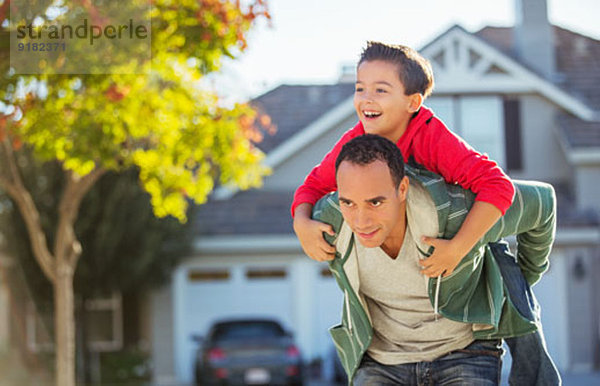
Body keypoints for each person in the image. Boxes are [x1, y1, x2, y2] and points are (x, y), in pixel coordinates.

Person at [314, 134, 557, 385]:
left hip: (463, 352)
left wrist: (526, 276)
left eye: (375, 202)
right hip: (382, 360)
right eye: (348, 203)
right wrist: (301, 223)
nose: (360, 221)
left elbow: (542, 204)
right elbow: (307, 204)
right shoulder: (330, 222)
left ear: (402, 190)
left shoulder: (456, 214)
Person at [293, 41, 513, 281]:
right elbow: (313, 187)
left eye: (380, 91)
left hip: (455, 243)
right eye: (360, 89)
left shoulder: (432, 138)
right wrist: (301, 224)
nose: (366, 99)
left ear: (413, 103)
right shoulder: (354, 143)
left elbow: (497, 185)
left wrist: (458, 248)